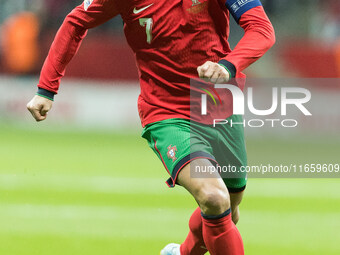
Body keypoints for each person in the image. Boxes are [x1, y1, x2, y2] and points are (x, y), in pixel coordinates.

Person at [27, 0, 275, 254]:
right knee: (213, 197)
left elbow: (261, 29)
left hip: (218, 104)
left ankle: (181, 253)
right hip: (166, 110)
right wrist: (46, 88)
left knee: (229, 211)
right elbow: (75, 21)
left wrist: (227, 64)